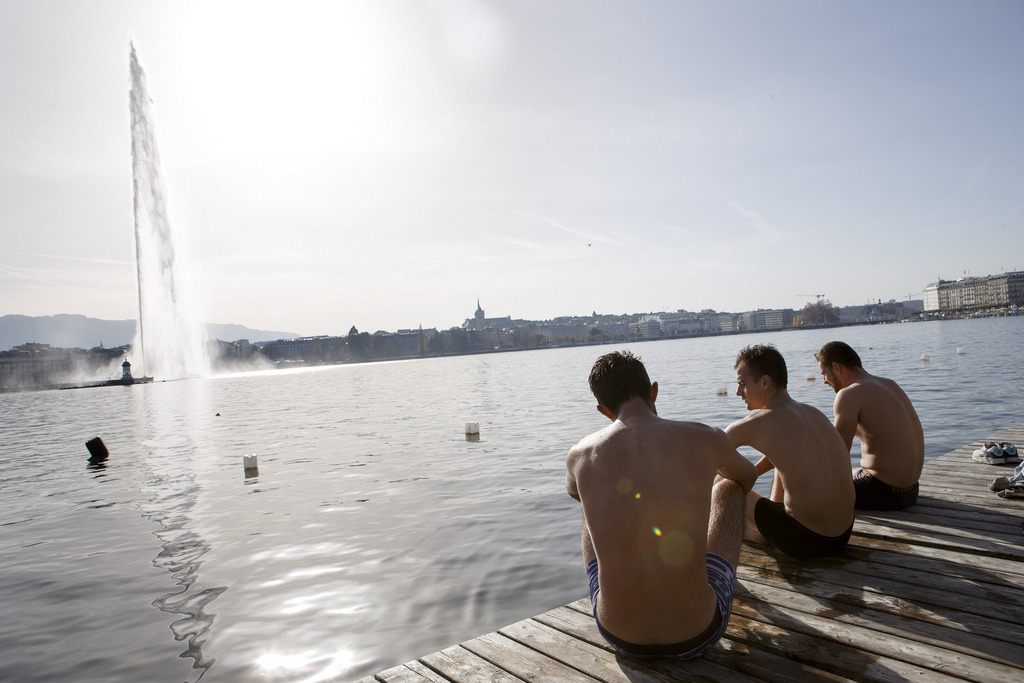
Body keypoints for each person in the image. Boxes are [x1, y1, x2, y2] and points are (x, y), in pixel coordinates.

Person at [566, 351, 757, 660]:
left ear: (603, 410)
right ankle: (710, 576)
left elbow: (574, 492)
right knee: (728, 488)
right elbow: (746, 477)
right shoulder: (705, 436)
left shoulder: (579, 455)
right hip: (698, 635)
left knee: (588, 501)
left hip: (618, 636)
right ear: (653, 391)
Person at [725, 344, 855, 559]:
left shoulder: (755, 423)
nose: (738, 392)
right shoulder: (813, 413)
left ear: (765, 382)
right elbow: (784, 453)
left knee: (723, 485)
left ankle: (718, 546)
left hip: (804, 539)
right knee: (780, 461)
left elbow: (707, 460)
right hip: (842, 536)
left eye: (742, 383)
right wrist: (755, 472)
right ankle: (760, 533)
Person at [815, 341, 924, 510]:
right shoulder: (889, 384)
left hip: (883, 492)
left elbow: (837, 454)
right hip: (910, 492)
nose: (824, 381)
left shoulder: (848, 395)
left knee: (809, 488)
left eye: (824, 374)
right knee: (855, 471)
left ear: (836, 367)